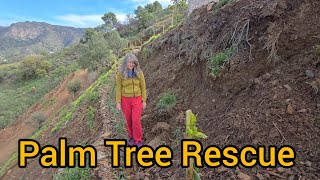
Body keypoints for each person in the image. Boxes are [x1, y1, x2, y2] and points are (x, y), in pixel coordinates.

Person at [116, 53, 147, 148]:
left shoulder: (139, 72)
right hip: (125, 100)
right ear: (126, 63)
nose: (131, 64)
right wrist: (118, 102)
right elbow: (118, 88)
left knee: (135, 120)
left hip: (137, 99)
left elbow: (143, 87)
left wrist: (144, 100)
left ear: (135, 63)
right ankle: (132, 137)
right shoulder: (121, 74)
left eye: (133, 62)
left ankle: (138, 139)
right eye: (129, 62)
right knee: (128, 120)